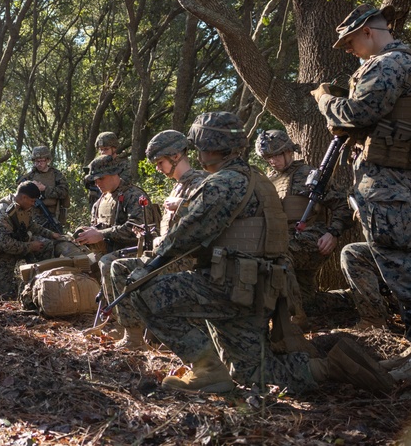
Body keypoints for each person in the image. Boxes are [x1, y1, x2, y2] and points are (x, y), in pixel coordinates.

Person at [126, 112, 392, 395]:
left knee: (142, 291)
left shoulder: (223, 183)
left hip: (226, 287)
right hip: (256, 289)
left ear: (209, 148)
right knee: (253, 373)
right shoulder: (258, 179)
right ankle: (333, 367)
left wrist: (148, 268)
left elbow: (185, 237)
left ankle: (207, 370)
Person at [313, 4, 411, 338]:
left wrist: (325, 101)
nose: (351, 51)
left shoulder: (389, 63)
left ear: (368, 31)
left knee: (403, 276)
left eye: (351, 42)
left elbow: (358, 112)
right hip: (393, 192)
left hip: (393, 193)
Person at [105, 131, 209, 351]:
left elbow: (207, 217)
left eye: (160, 162)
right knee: (118, 266)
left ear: (176, 156)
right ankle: (134, 336)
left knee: (125, 270)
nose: (158, 169)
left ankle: (144, 336)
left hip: (187, 258)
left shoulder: (201, 182)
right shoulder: (178, 184)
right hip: (167, 254)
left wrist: (182, 204)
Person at [254, 129, 352, 322]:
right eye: (267, 157)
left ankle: (293, 320)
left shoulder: (309, 175)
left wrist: (333, 233)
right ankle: (348, 298)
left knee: (278, 254)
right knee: (309, 302)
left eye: (275, 155)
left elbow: (343, 204)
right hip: (284, 239)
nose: (272, 161)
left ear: (289, 151)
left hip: (311, 238)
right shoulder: (268, 181)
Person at [78, 153, 152, 346]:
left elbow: (137, 228)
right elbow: (98, 226)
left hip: (136, 249)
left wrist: (103, 234)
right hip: (109, 249)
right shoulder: (101, 201)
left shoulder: (133, 195)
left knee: (106, 263)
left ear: (114, 174)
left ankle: (124, 325)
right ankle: (110, 317)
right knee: (81, 263)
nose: (98, 183)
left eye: (101, 178)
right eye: (95, 179)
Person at [0, 181, 71, 298]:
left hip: (18, 244)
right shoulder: (2, 212)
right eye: (32, 201)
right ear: (24, 197)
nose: (33, 204)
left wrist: (51, 234)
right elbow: (5, 244)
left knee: (46, 245)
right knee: (0, 295)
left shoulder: (22, 206)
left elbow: (30, 225)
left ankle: (42, 282)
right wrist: (30, 246)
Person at [17, 146, 70, 233]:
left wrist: (44, 189)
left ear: (48, 160)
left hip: (52, 216)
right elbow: (20, 194)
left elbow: (64, 192)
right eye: (37, 161)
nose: (39, 164)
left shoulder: (56, 174)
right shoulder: (30, 176)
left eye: (42, 161)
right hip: (33, 217)